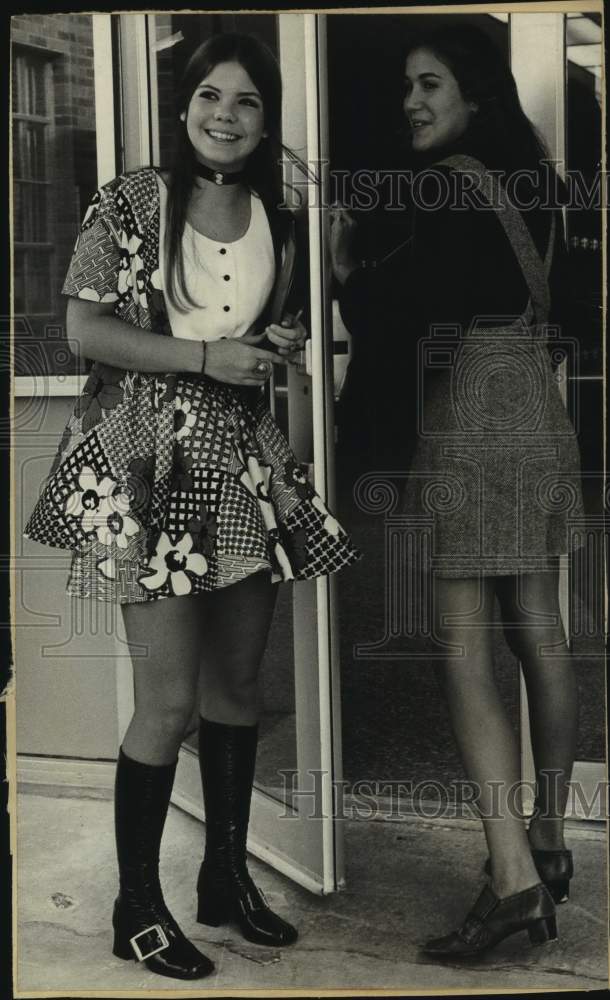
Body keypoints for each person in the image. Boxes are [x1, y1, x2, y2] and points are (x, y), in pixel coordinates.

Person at [25, 32, 359, 981]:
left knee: (237, 690)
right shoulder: (132, 200)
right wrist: (209, 357)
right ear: (183, 106)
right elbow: (85, 327)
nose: (226, 115)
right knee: (167, 700)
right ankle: (137, 908)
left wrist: (288, 331)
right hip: (152, 467)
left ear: (267, 116)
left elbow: (290, 341)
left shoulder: (280, 219)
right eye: (210, 95)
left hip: (242, 467)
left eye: (247, 101)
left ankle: (225, 879)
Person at [331, 23, 582, 959]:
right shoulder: (538, 182)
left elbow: (408, 312)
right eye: (406, 84)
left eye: (428, 83)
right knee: (540, 632)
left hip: (472, 409)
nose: (411, 101)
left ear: (473, 92)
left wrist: (351, 272)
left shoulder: (447, 183)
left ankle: (512, 880)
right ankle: (549, 844)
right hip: (532, 405)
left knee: (464, 645)